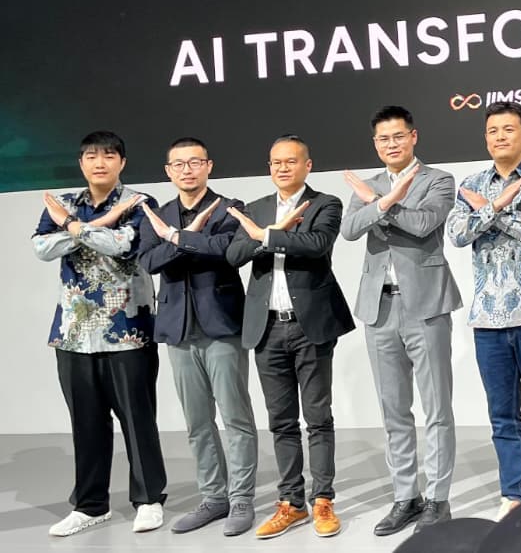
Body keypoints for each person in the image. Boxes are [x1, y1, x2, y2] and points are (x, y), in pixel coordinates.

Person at [33, 130, 168, 537]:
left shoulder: (140, 203)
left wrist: (71, 227)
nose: (99, 162)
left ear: (122, 162)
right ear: (81, 163)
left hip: (128, 330)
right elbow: (41, 248)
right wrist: (89, 225)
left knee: (137, 418)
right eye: (91, 156)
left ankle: (148, 499)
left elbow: (123, 245)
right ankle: (91, 505)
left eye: (108, 155)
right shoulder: (63, 202)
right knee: (86, 422)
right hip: (73, 333)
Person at [341, 105, 463, 535]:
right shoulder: (369, 184)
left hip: (426, 304)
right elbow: (350, 230)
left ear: (413, 136)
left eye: (398, 136)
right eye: (383, 139)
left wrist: (380, 204)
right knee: (394, 410)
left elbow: (424, 223)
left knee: (437, 408)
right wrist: (381, 200)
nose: (391, 144)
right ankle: (405, 496)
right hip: (379, 307)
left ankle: (438, 499)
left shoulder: (438, 180)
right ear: (375, 143)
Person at [227, 135, 355, 539]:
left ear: (307, 165)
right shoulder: (256, 208)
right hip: (266, 328)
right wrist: (272, 232)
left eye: (290, 161)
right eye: (275, 162)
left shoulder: (325, 204)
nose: (282, 168)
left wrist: (265, 236)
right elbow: (233, 255)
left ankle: (323, 500)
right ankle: (291, 503)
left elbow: (316, 245)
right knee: (281, 421)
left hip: (309, 325)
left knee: (318, 418)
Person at [446, 102, 521, 518]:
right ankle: (514, 494)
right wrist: (497, 205)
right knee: (502, 416)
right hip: (488, 319)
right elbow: (457, 234)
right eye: (493, 130)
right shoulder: (471, 183)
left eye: (508, 129)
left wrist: (486, 210)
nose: (500, 136)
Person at [137, 137, 258, 536]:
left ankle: (241, 499)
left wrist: (177, 238)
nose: (186, 170)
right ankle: (213, 497)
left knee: (236, 417)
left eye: (194, 162)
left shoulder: (230, 208)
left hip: (222, 324)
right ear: (168, 171)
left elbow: (227, 250)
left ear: (209, 166)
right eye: (179, 164)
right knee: (197, 421)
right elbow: (148, 262)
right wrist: (187, 238)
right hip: (178, 328)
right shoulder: (157, 214)